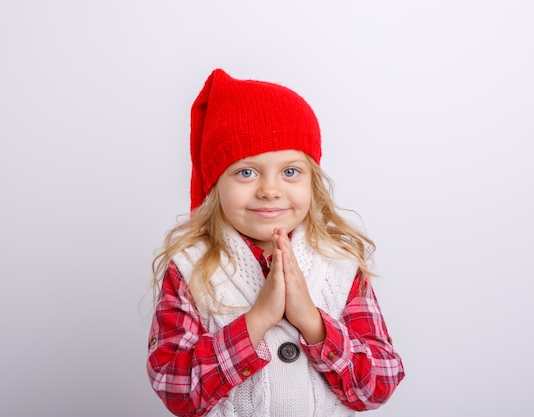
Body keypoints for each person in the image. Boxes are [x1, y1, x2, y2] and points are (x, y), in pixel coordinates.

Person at [146, 68, 404, 417]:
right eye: (246, 172)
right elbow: (177, 390)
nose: (269, 190)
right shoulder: (190, 268)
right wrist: (257, 319)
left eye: (290, 171)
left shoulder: (339, 264)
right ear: (214, 183)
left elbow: (378, 385)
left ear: (312, 181)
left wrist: (312, 322)